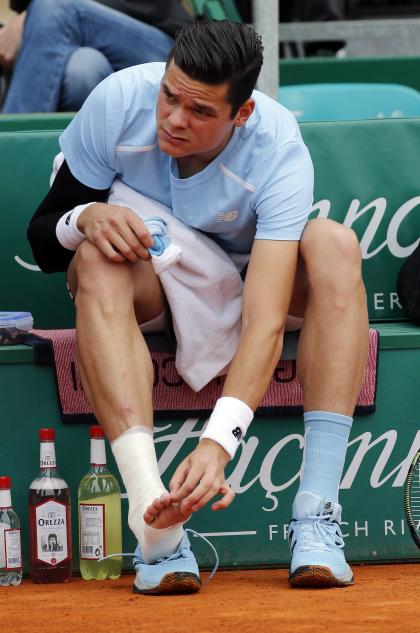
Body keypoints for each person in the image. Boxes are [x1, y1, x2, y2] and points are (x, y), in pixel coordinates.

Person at [27, 18, 369, 594]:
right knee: (92, 259)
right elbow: (42, 238)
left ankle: (316, 517)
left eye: (201, 112)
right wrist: (84, 217)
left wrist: (218, 442)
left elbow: (263, 318)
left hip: (254, 280)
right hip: (159, 283)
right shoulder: (118, 99)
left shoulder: (280, 147)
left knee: (335, 245)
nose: (174, 119)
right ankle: (155, 527)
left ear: (243, 114)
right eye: (169, 95)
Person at [0, 0, 191, 112]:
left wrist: (31, 16)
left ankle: (12, 152)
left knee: (52, 7)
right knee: (83, 70)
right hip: (69, 38)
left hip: (157, 44)